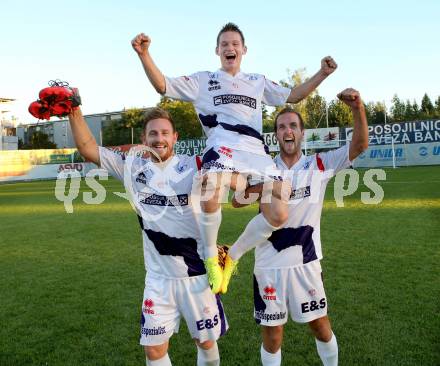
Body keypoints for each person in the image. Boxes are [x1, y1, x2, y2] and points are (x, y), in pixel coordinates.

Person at [131, 23, 338, 294]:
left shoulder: (257, 82)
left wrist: (322, 73)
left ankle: (231, 256)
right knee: (210, 186)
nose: (230, 48)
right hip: (223, 148)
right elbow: (163, 85)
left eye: (235, 44)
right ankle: (209, 256)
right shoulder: (203, 80)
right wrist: (144, 54)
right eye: (225, 44)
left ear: (244, 50)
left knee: (279, 212)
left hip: (256, 154)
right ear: (217, 50)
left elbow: (294, 95)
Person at [68, 105, 227, 366]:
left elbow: (234, 180)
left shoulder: (196, 165)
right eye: (153, 133)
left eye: (165, 133)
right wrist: (74, 110)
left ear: (175, 137)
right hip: (158, 279)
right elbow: (89, 149)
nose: (159, 139)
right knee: (154, 350)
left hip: (197, 275)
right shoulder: (132, 168)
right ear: (144, 140)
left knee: (207, 343)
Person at [232, 88, 368, 366]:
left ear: (302, 133)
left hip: (306, 264)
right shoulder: (264, 167)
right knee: (272, 334)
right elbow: (237, 200)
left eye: (293, 125)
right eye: (282, 127)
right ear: (277, 135)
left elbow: (359, 146)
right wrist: (268, 186)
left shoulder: (318, 164)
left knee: (319, 325)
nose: (287, 131)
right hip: (268, 265)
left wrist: (358, 109)